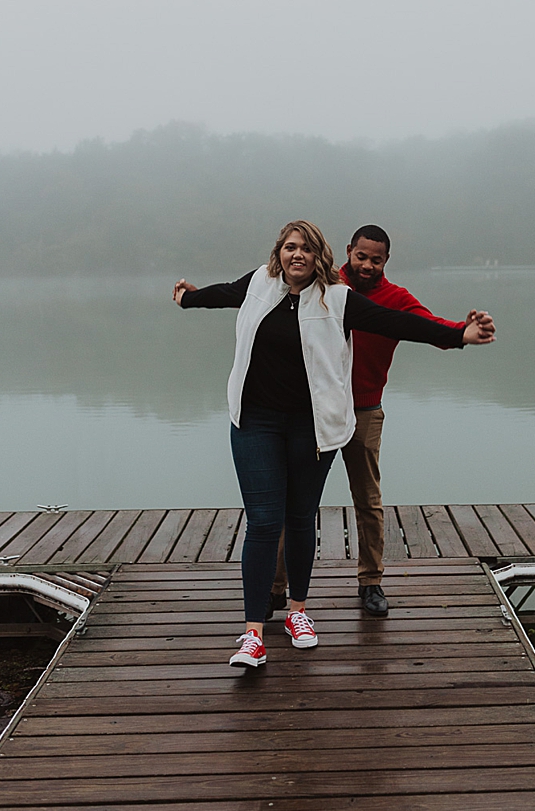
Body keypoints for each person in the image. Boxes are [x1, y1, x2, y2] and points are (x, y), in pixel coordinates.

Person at [174, 220, 495, 669]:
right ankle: (252, 635)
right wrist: (189, 297)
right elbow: (223, 294)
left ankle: (299, 612)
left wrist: (460, 335)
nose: (297, 255)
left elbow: (399, 322)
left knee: (302, 517)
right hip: (256, 422)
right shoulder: (258, 283)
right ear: (279, 252)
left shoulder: (338, 298)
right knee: (265, 522)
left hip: (314, 425)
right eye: (289, 247)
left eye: (306, 248)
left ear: (320, 255)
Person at [267, 224, 484, 619]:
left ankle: (370, 583)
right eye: (361, 256)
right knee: (293, 501)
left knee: (368, 500)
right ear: (349, 250)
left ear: (386, 260)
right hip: (313, 413)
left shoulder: (396, 299)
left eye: (376, 260)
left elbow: (425, 325)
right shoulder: (323, 286)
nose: (367, 265)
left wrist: (461, 332)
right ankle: (275, 588)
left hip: (365, 411)